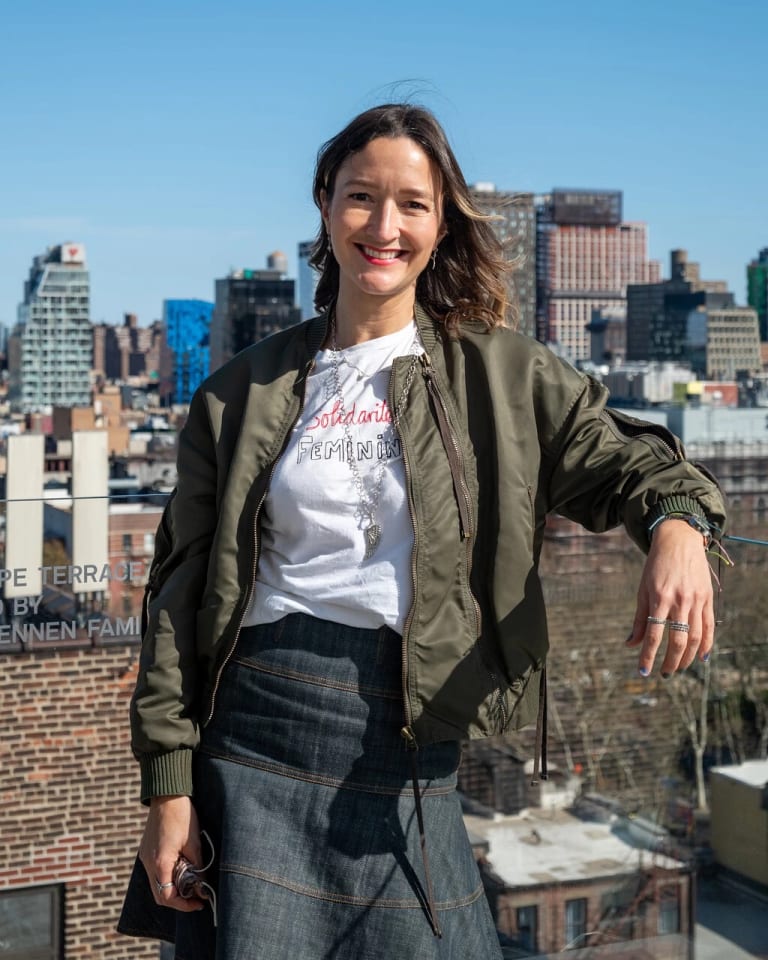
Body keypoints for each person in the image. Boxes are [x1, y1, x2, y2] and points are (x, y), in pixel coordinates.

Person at [120, 103, 726, 959]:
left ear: (441, 226)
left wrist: (676, 531)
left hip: (407, 740)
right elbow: (176, 605)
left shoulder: (502, 374)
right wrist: (169, 792)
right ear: (326, 206)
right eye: (362, 197)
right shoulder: (236, 394)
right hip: (251, 735)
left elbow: (636, 463)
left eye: (412, 203)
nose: (384, 226)